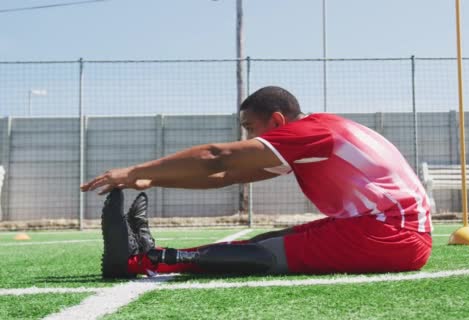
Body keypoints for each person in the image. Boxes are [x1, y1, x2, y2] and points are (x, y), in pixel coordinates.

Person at [81, 86, 433, 278]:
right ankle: (151, 255)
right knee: (264, 241)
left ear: (277, 120)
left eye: (250, 128)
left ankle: (145, 261)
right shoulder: (314, 136)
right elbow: (227, 176)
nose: (247, 137)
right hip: (386, 228)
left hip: (390, 235)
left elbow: (218, 157)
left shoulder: (309, 133)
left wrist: (132, 171)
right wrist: (152, 179)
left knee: (263, 256)